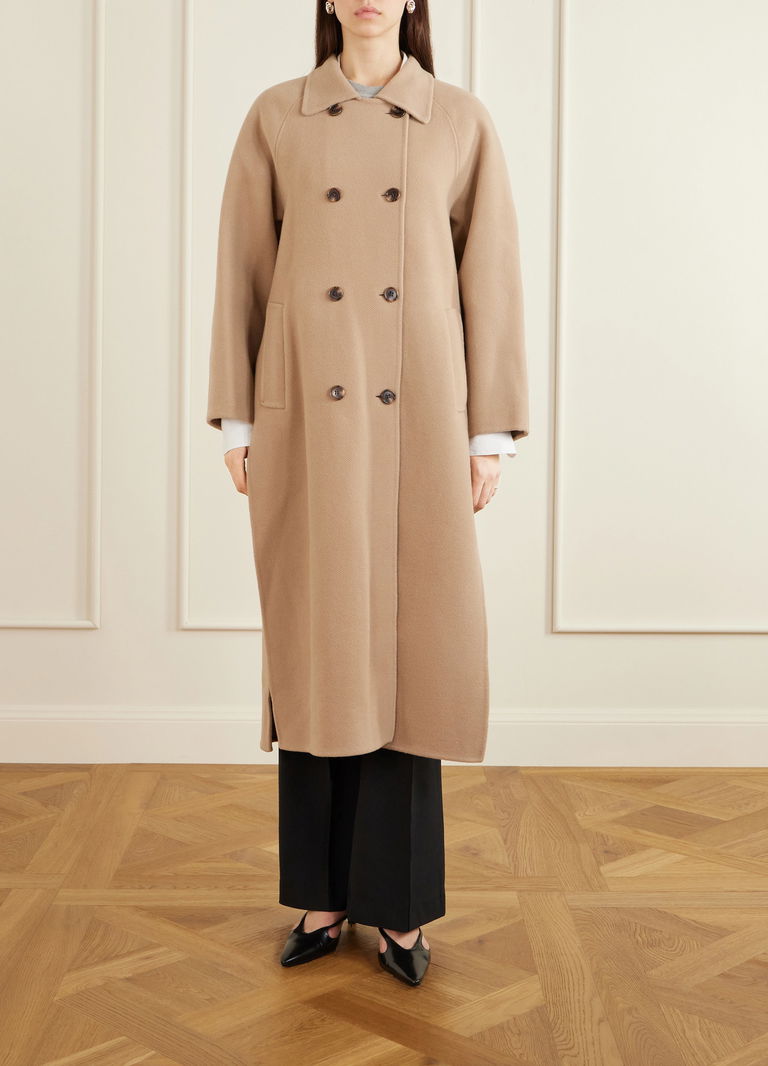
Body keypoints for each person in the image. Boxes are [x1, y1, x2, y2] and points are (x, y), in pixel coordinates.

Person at [206, 0, 528, 987]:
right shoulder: (276, 115)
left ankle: (398, 906)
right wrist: (238, 420)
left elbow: (490, 279)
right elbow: (241, 270)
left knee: (408, 651)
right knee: (321, 646)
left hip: (420, 413)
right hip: (307, 407)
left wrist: (487, 434)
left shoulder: (459, 120)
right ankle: (320, 894)